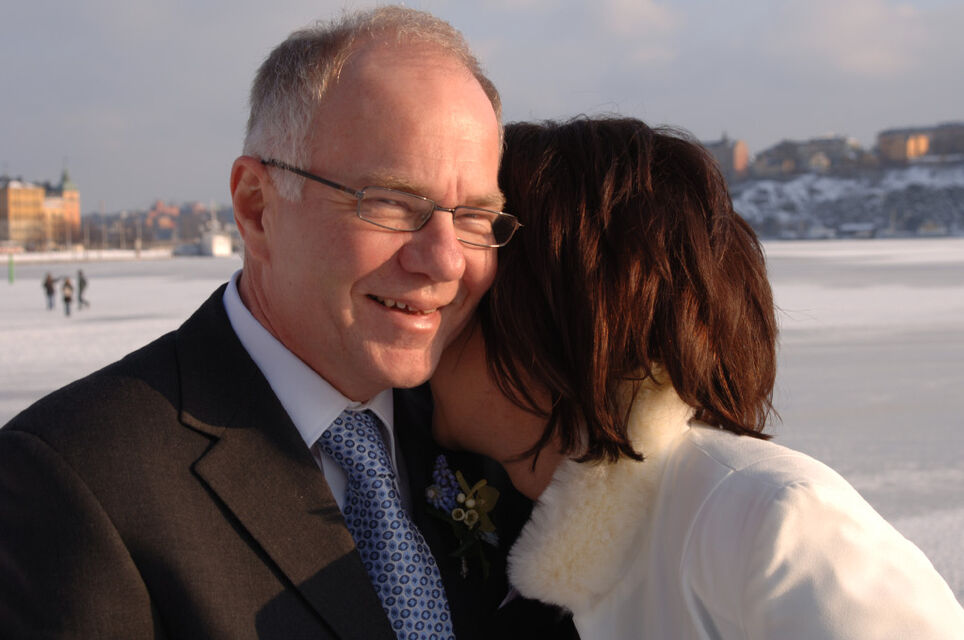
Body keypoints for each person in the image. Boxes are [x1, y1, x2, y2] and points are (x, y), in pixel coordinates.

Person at [0, 8, 574, 639]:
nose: (446, 261)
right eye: (390, 203)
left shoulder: (488, 432)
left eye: (474, 217)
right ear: (257, 208)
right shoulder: (79, 479)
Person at [431, 117, 964, 638]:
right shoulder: (495, 517)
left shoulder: (765, 522)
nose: (431, 318)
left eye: (461, 299)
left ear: (554, 325)